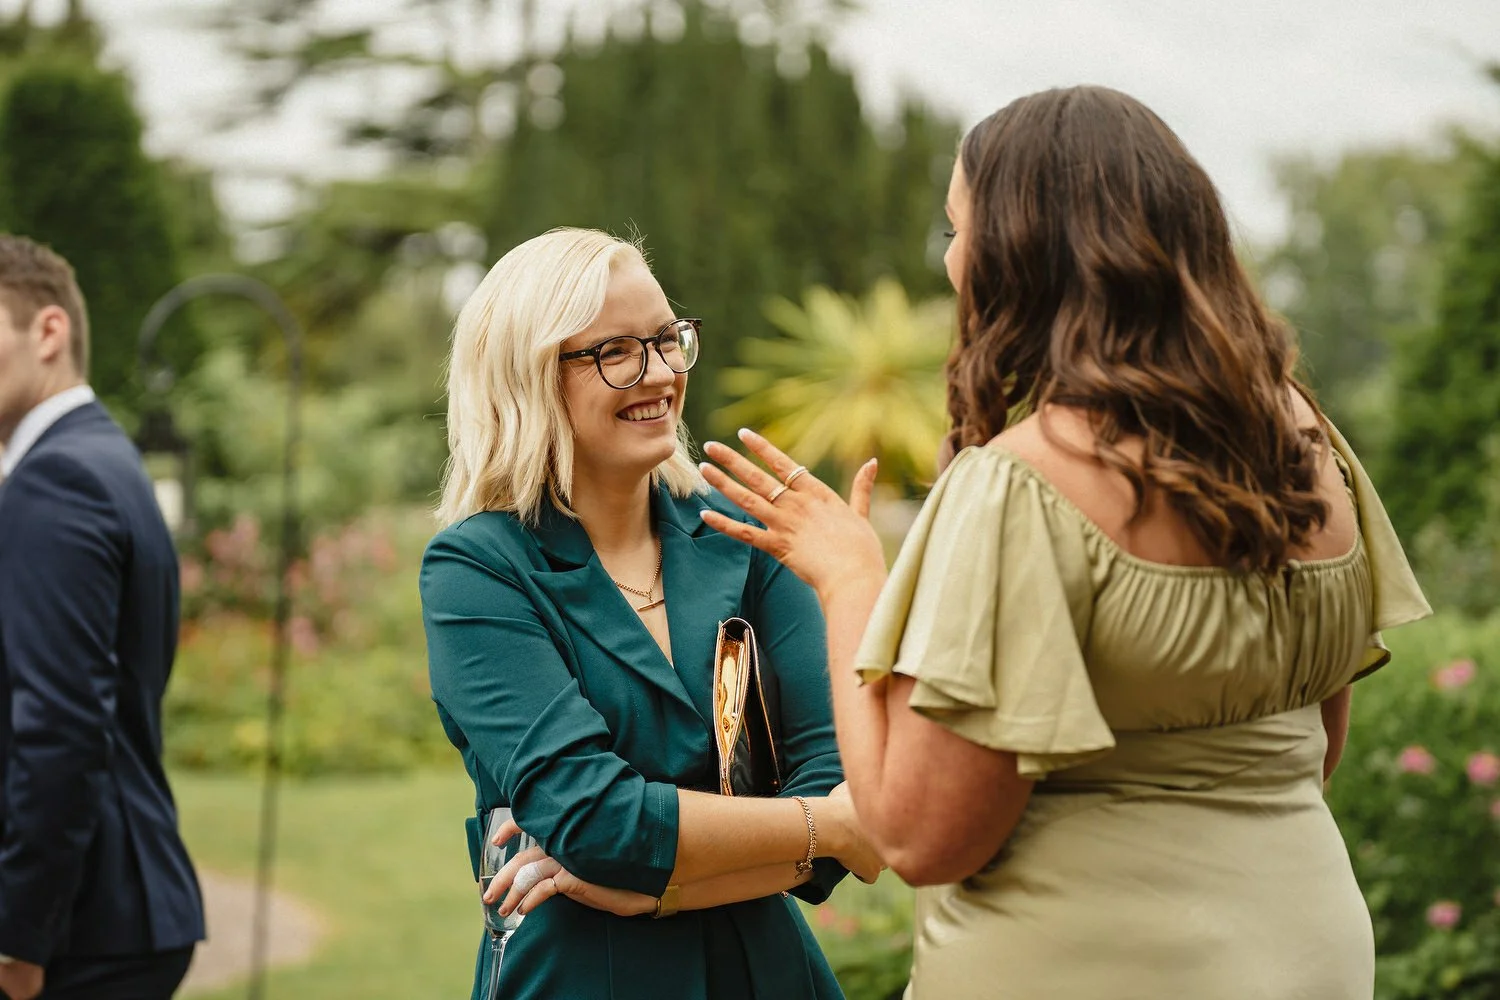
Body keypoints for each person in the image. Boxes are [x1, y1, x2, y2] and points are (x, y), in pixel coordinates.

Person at [698, 86, 1433, 999]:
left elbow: (920, 838)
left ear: (1016, 256)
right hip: (1307, 952)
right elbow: (1311, 750)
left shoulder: (1025, 486)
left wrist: (851, 581)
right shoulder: (1303, 442)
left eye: (954, 229)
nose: (949, 260)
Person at [419, 227, 880, 1000]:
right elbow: (597, 820)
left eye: (668, 341)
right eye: (615, 352)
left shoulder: (746, 539)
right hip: (585, 978)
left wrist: (664, 885)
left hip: (768, 974)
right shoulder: (479, 570)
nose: (660, 373)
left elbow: (840, 778)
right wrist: (825, 825)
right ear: (527, 378)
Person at [0, 235, 204, 1000]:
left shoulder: (54, 479)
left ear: (47, 332)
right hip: (119, 904)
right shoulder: (103, 457)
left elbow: (60, 726)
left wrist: (19, 934)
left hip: (81, 930)